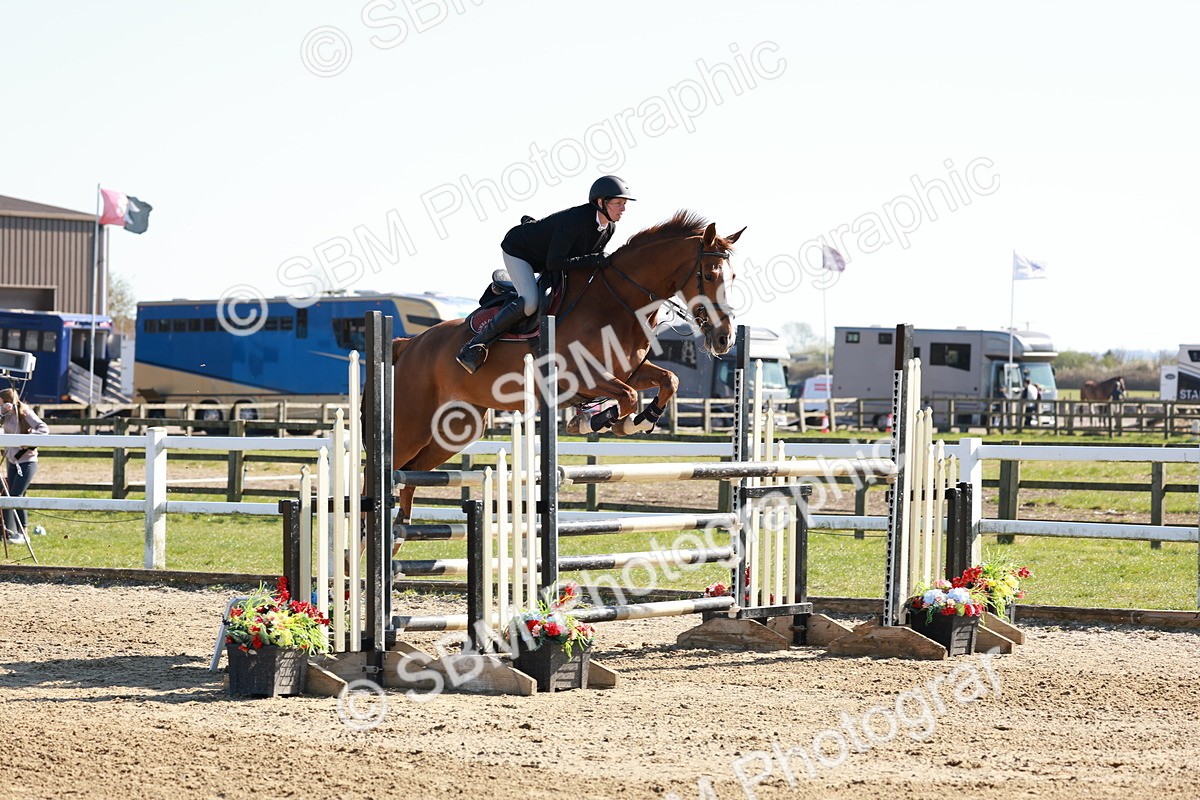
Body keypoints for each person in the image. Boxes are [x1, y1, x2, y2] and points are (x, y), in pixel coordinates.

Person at [455, 175, 636, 373]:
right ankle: (475, 345)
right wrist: (595, 260)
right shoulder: (575, 220)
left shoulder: (609, 228)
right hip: (520, 251)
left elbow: (583, 263)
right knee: (530, 302)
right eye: (618, 203)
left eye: (624, 204)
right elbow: (555, 262)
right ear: (600, 202)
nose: (623, 209)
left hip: (548, 259)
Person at [0, 387, 48, 544]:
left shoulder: (25, 412)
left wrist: (26, 440)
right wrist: (2, 412)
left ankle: (24, 533)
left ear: (8, 402)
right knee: (11, 495)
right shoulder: (5, 415)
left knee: (16, 495)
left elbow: (43, 429)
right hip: (11, 460)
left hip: (27, 460)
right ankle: (13, 530)